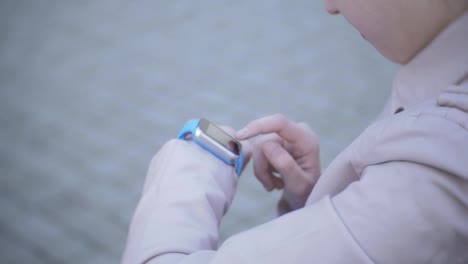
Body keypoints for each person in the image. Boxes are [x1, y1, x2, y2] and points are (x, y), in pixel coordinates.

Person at [122, 0, 468, 263]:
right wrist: (323, 203)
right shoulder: (441, 88)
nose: (330, 6)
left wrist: (190, 164)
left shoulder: (430, 179)